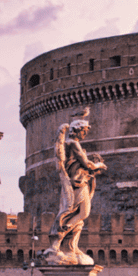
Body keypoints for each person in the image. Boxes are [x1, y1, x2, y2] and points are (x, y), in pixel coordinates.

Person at [45, 109, 106, 265]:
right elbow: (87, 163)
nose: (85, 134)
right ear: (78, 130)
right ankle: (57, 241)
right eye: (84, 131)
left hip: (80, 183)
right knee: (79, 213)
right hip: (77, 184)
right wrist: (99, 165)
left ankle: (71, 246)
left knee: (80, 215)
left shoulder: (71, 144)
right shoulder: (73, 144)